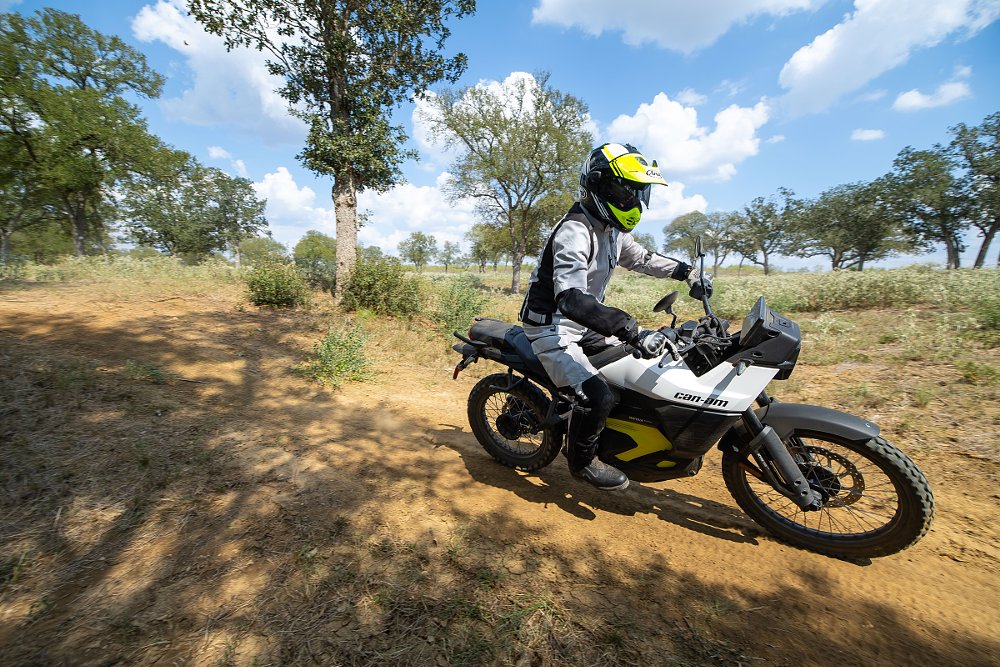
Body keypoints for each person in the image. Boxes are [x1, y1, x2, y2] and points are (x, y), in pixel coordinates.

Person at [519, 142, 711, 491]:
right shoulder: (575, 230)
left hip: (583, 325)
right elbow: (570, 298)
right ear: (598, 185)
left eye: (638, 192)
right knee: (598, 395)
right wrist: (629, 329)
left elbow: (643, 258)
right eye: (625, 191)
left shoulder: (611, 230)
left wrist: (687, 273)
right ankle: (581, 462)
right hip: (553, 327)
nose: (632, 201)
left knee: (640, 371)